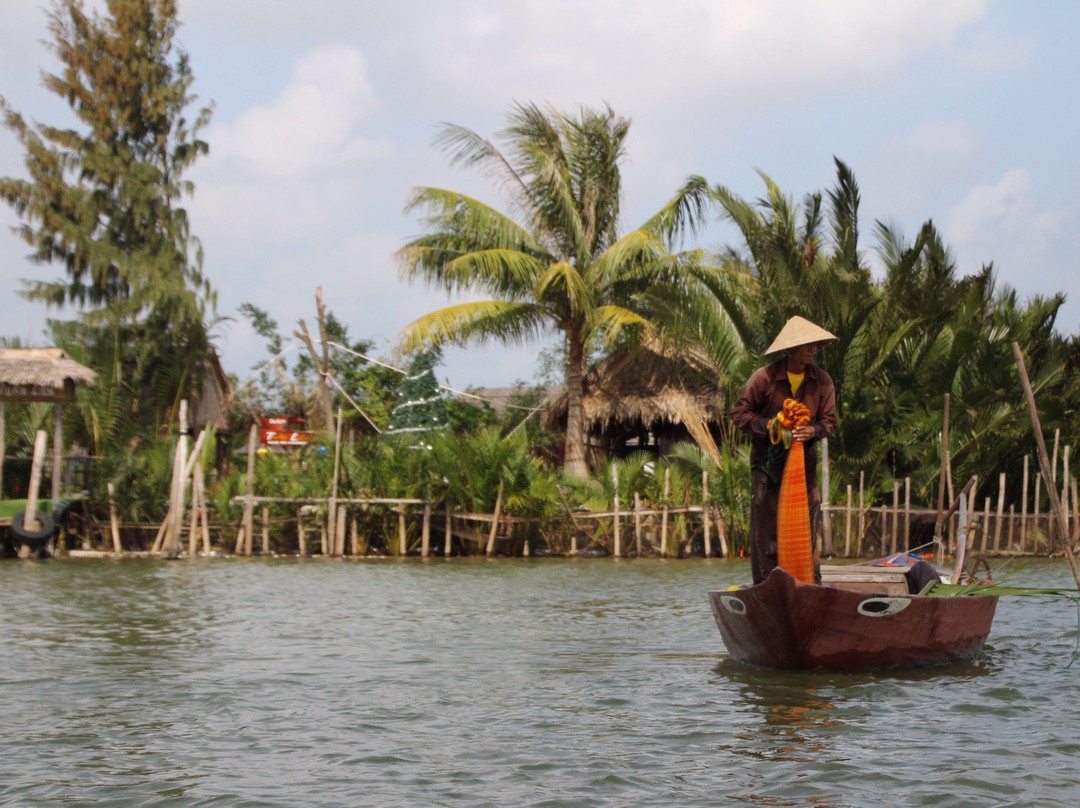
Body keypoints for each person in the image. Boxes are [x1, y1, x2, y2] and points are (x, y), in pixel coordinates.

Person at [732, 316, 837, 584]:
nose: (813, 349)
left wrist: (812, 431)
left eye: (815, 345)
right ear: (790, 349)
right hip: (767, 470)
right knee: (765, 536)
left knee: (806, 532)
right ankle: (767, 589)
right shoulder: (764, 378)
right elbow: (739, 415)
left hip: (804, 471)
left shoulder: (822, 381)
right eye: (806, 345)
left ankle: (809, 587)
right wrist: (769, 425)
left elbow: (829, 423)